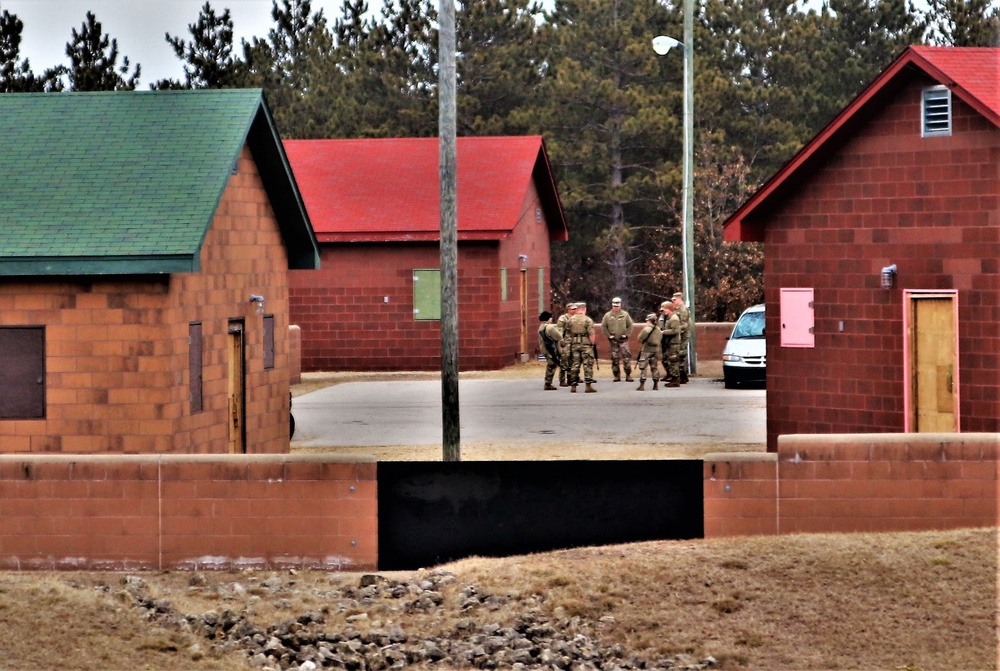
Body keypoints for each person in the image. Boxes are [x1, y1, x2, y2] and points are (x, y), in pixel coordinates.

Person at [600, 297, 634, 382]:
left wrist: (627, 334)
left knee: (626, 358)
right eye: (614, 305)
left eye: (617, 305)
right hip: (613, 340)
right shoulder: (608, 315)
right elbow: (603, 326)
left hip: (623, 340)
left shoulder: (625, 314)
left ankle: (628, 374)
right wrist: (608, 335)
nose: (616, 307)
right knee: (614, 358)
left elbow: (630, 325)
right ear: (612, 305)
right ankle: (616, 375)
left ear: (620, 305)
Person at [566, 301, 597, 393]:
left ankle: (573, 385)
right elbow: (591, 334)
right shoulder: (587, 320)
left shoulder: (570, 320)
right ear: (584, 309)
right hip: (586, 344)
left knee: (575, 364)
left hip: (574, 344)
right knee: (587, 364)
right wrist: (592, 343)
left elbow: (567, 334)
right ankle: (588, 385)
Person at [635, 314, 662, 391]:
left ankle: (642, 385)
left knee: (643, 367)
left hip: (646, 350)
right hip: (656, 350)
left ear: (649, 321)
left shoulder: (646, 330)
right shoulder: (658, 330)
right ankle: (656, 384)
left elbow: (639, 339)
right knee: (654, 367)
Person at [658, 301, 682, 388]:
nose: (664, 311)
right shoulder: (668, 318)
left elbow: (675, 331)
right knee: (670, 360)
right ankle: (672, 377)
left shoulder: (674, 319)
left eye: (665, 310)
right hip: (670, 342)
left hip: (674, 343)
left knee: (673, 361)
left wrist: (663, 332)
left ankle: (676, 380)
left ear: (669, 309)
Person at [537, 311, 563, 390]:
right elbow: (558, 336)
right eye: (550, 317)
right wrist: (560, 330)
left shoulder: (541, 327)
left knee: (551, 364)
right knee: (552, 365)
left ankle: (548, 382)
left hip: (544, 348)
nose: (551, 318)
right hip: (551, 349)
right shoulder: (550, 327)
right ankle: (548, 383)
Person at [671, 291, 691, 383]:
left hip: (683, 335)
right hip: (680, 334)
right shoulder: (677, 309)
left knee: (681, 355)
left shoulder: (682, 309)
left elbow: (684, 325)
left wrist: (676, 330)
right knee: (678, 355)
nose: (673, 301)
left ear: (679, 299)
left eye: (674, 300)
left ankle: (682, 376)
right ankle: (681, 376)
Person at [555, 303, 575, 387]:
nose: (574, 310)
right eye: (572, 309)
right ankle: (562, 380)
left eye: (575, 309)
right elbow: (559, 330)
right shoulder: (563, 318)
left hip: (574, 342)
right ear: (568, 310)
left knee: (572, 361)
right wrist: (561, 341)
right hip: (566, 342)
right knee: (564, 361)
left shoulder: (576, 318)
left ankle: (571, 379)